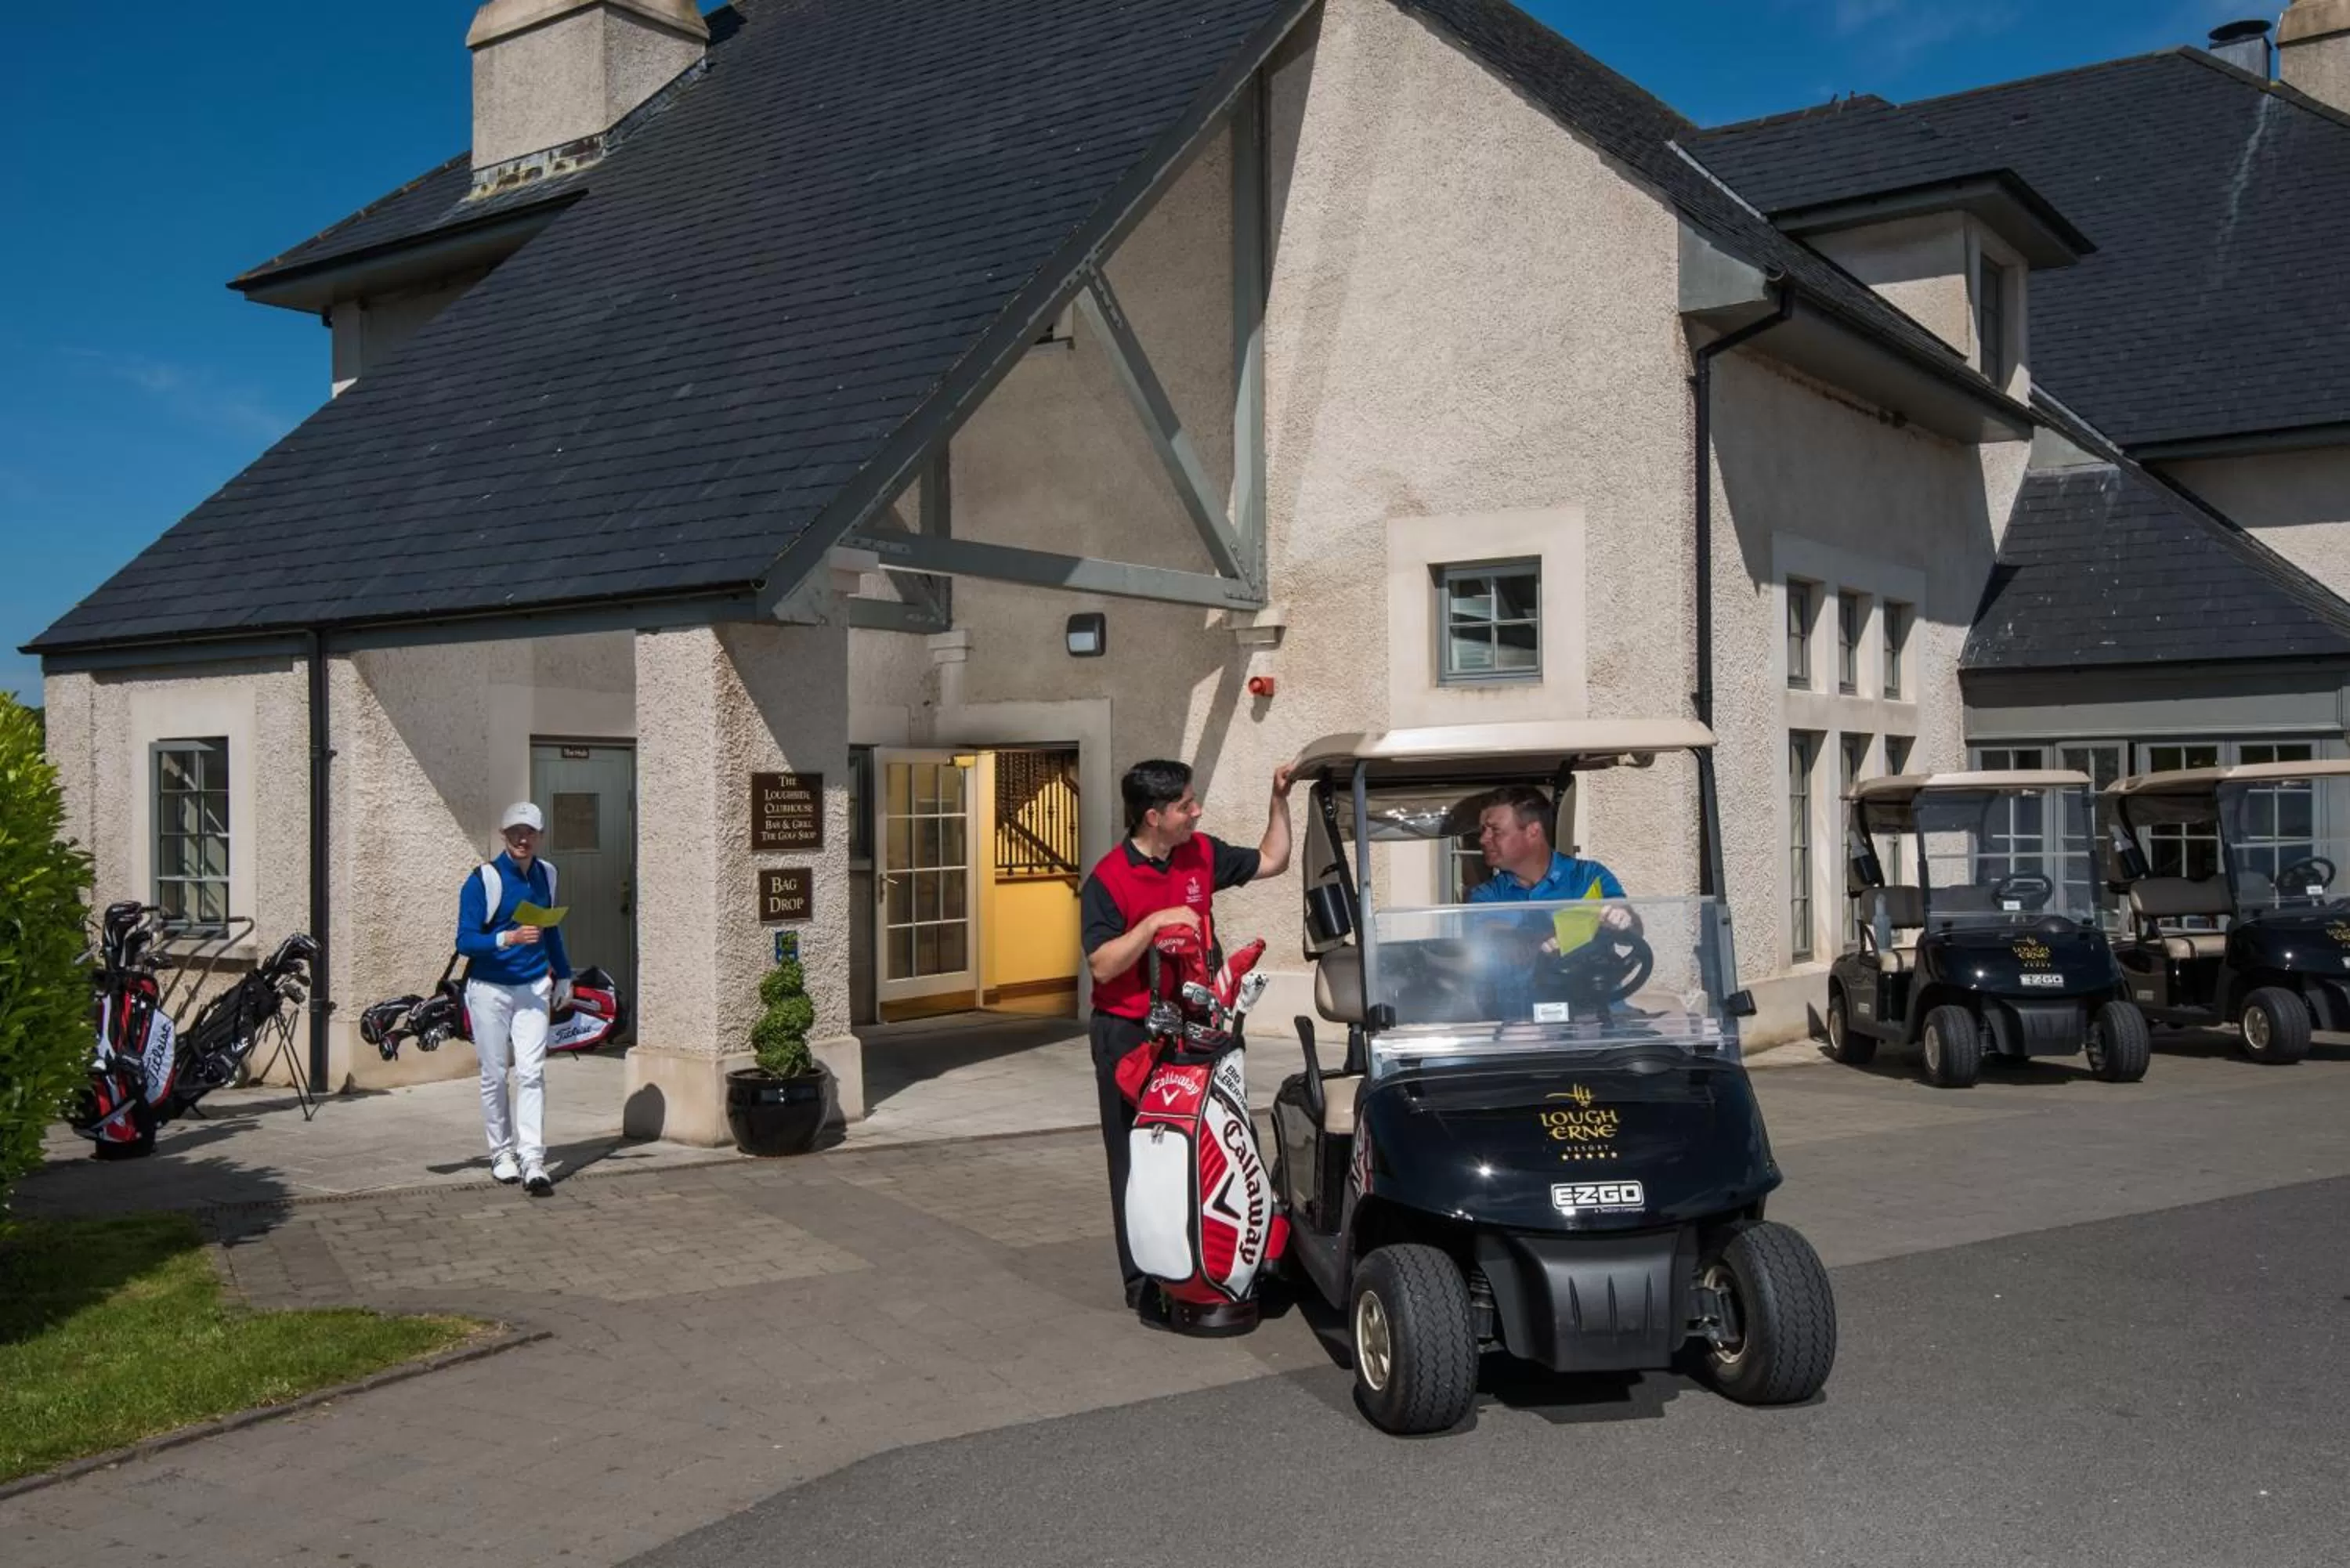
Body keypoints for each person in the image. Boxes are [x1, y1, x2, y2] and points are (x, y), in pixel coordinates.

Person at [1080, 757, 1294, 1322]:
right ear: (1153, 816)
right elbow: (1102, 966)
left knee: (1211, 1143)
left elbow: (1274, 860)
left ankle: (1216, 1262)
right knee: (1140, 1157)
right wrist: (1152, 926)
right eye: (1185, 806)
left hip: (1195, 1026)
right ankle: (1145, 1281)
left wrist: (1279, 798)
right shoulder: (1107, 880)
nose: (1196, 811)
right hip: (1128, 1034)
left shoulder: (1201, 852)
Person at [455, 801, 573, 1196]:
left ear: (540, 836)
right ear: (503, 835)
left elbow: (550, 930)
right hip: (490, 989)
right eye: (515, 832)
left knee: (532, 1072)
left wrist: (565, 975)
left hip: (533, 986)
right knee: (494, 1075)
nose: (523, 839)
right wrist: (506, 938)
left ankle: (533, 1159)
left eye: (530, 832)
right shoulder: (483, 880)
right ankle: (501, 1153)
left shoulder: (547, 875)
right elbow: (465, 940)